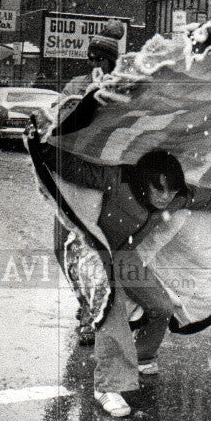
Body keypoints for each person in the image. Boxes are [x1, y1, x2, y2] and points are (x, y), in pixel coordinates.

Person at [37, 140, 211, 417]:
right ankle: (108, 385)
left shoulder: (179, 197)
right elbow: (75, 169)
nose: (165, 198)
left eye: (171, 191)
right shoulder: (117, 179)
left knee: (162, 307)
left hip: (123, 255)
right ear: (145, 182)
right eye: (159, 189)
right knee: (111, 307)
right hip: (87, 248)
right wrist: (42, 147)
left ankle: (141, 355)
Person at [53, 19, 126, 346]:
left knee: (96, 251)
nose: (96, 64)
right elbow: (57, 122)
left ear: (112, 61)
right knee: (63, 249)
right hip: (68, 178)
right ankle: (84, 302)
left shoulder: (122, 86)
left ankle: (93, 315)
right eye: (92, 58)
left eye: (102, 59)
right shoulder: (74, 86)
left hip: (99, 181)